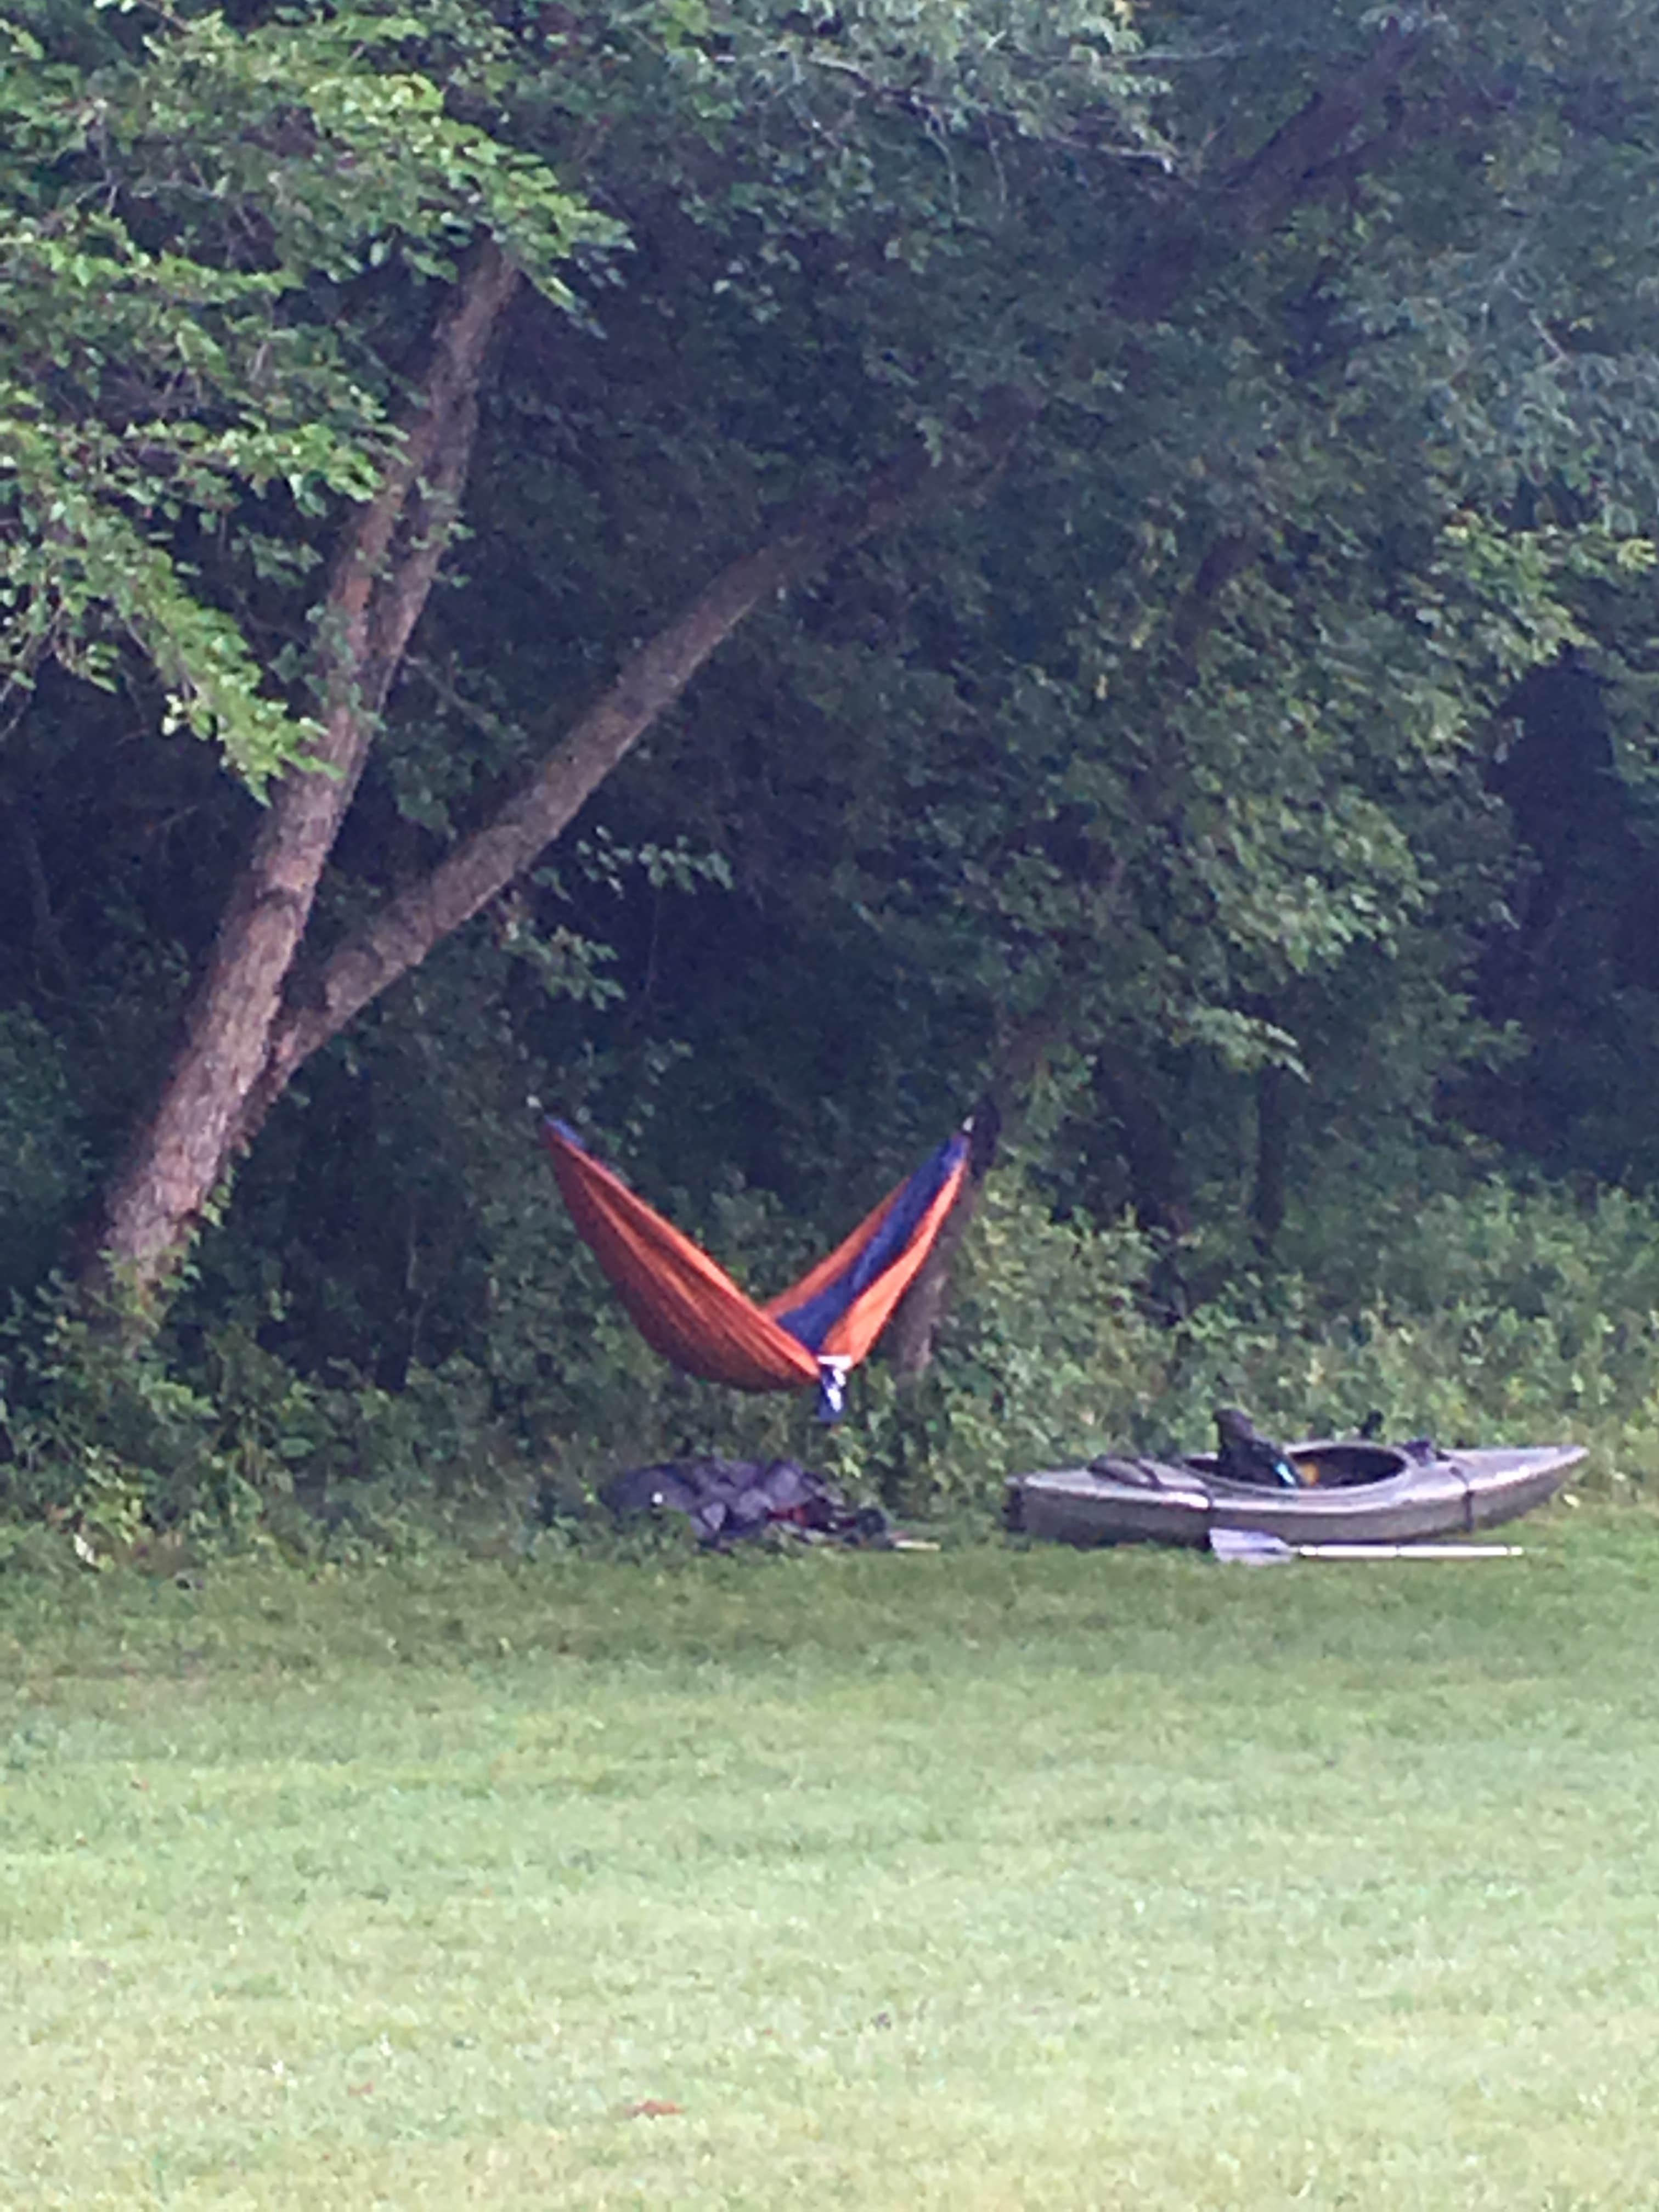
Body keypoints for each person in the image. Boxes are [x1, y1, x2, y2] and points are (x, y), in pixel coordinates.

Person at [1213, 1404, 1299, 1488]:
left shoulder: (1263, 1450)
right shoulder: (1227, 1452)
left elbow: (1286, 1474)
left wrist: (1293, 1489)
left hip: (1268, 1494)